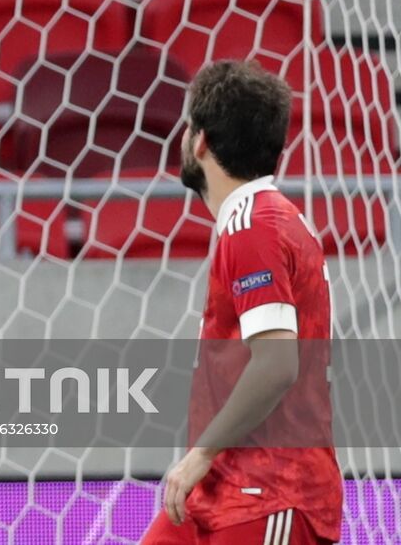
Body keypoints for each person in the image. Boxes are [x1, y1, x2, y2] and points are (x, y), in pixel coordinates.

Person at [140, 60, 341, 545]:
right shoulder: (268, 219)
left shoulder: (255, 226)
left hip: (269, 491)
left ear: (201, 140)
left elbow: (276, 366)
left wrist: (200, 454)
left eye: (189, 126)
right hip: (223, 487)